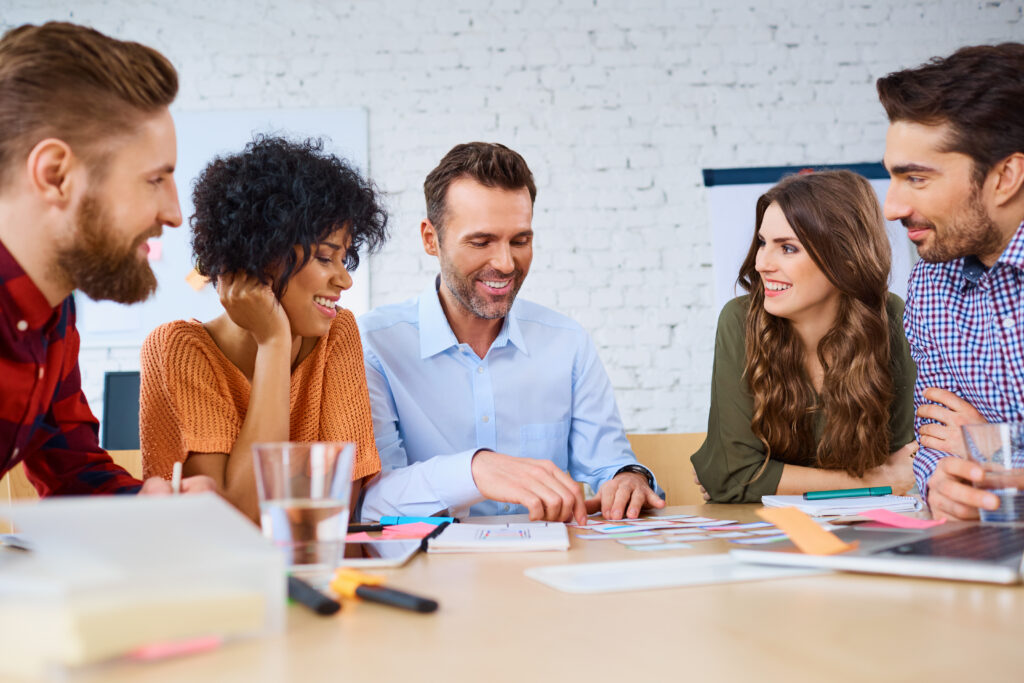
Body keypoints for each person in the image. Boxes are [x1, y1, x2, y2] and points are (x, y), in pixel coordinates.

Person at [358, 142, 664, 523]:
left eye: (520, 241)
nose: (505, 264)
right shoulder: (372, 346)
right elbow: (373, 502)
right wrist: (474, 471)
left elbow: (610, 463)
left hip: (550, 567)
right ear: (430, 239)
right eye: (481, 241)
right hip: (433, 570)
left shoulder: (567, 342)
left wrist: (628, 479)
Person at [0, 22, 214, 496]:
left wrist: (146, 504)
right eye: (155, 180)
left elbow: (75, 471)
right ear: (56, 175)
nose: (174, 214)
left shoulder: (51, 312)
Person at [139, 136, 388, 522]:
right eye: (325, 256)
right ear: (259, 257)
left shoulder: (337, 333)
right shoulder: (179, 348)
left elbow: (336, 510)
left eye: (344, 258)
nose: (345, 280)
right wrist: (273, 343)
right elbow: (239, 522)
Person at [691, 170, 917, 503]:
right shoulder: (739, 322)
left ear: (846, 258)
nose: (762, 263)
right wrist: (877, 480)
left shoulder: (891, 319)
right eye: (763, 243)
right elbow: (732, 477)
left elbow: (908, 460)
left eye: (788, 249)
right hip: (761, 530)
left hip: (863, 524)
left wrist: (773, 477)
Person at [878, 43, 1024, 521]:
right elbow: (938, 446)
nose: (892, 208)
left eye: (916, 179)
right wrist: (941, 485)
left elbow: (988, 454)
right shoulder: (932, 284)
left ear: (1006, 176)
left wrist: (1002, 449)